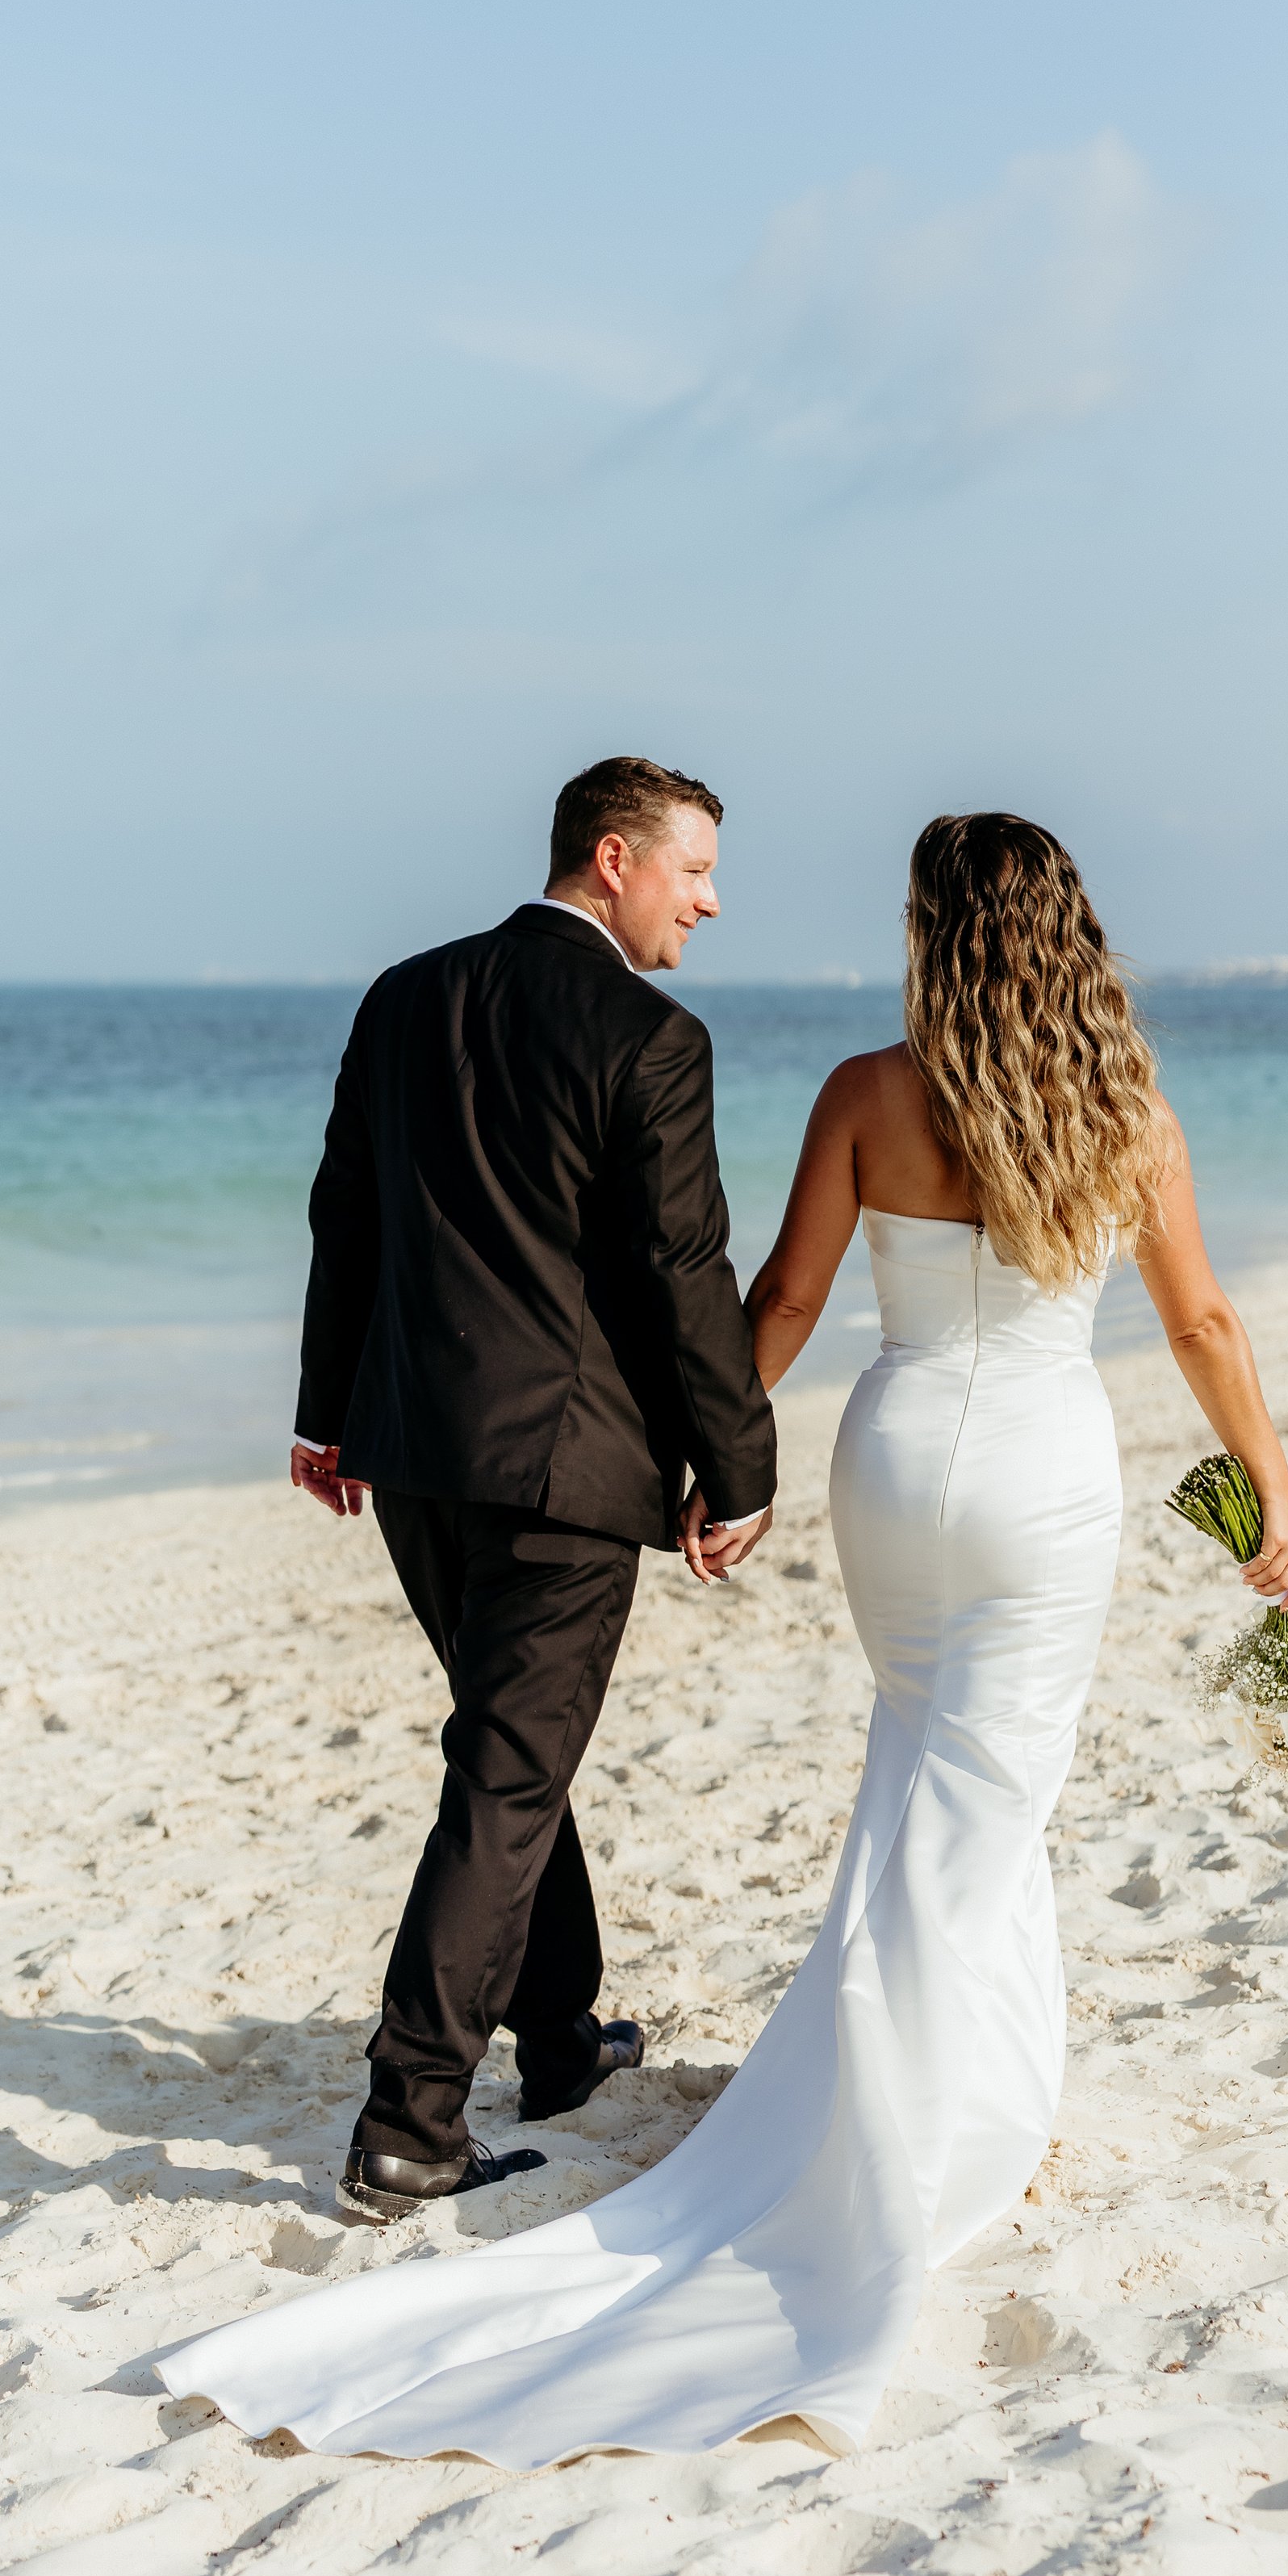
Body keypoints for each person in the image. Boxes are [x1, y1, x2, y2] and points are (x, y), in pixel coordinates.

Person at [157, 809, 1288, 2463]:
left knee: (914, 1760)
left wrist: (708, 1464)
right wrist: (1271, 1492)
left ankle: (891, 2065)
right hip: (1044, 1478)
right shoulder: (1128, 1113)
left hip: (895, 1470)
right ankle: (902, 2109)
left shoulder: (866, 1093)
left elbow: (770, 1301)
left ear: (931, 934)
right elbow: (1199, 1318)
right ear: (1069, 935)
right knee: (984, 1792)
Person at [285, 755, 777, 2225]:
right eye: (694, 869)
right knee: (508, 1771)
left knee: (514, 1749)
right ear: (613, 858)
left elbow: (343, 1209)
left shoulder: (404, 994)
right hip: (564, 1471)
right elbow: (683, 1273)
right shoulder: (651, 1035)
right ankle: (409, 2115)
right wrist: (736, 1464)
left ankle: (559, 2041)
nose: (711, 898)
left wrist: (327, 1414)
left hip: (415, 1455)